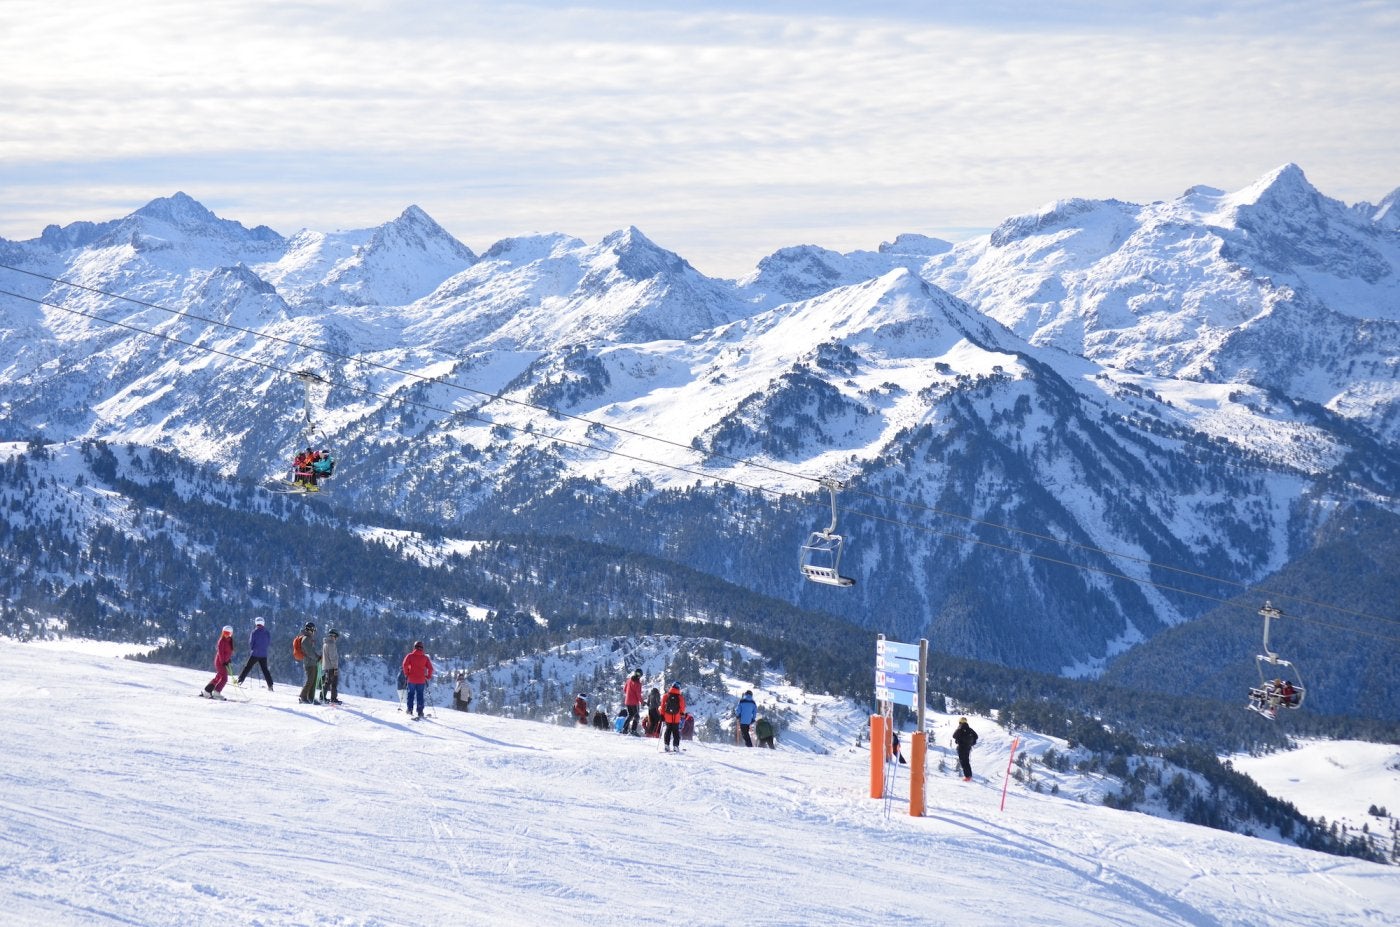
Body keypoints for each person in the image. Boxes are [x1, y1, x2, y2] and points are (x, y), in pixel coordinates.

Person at [234, 616, 274, 690]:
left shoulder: (254, 632)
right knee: (265, 670)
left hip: (255, 653)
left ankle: (240, 681)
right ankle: (270, 685)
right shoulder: (267, 632)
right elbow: (268, 642)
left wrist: (253, 648)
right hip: (263, 654)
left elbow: (251, 643)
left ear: (256, 623)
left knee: (247, 667)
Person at [200, 625, 235, 699]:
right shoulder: (222, 641)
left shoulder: (229, 641)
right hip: (220, 662)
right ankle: (215, 692)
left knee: (219, 676)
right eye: (224, 633)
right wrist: (223, 662)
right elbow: (220, 653)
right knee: (224, 678)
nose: (226, 634)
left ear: (231, 634)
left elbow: (228, 652)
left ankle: (208, 691)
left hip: (223, 661)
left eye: (227, 633)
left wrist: (228, 659)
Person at [402, 641, 434, 719]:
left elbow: (404, 664)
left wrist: (407, 673)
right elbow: (431, 668)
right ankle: (420, 711)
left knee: (410, 694)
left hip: (411, 679)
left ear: (415, 647)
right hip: (421, 680)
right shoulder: (425, 657)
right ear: (422, 648)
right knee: (420, 695)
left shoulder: (410, 656)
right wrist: (428, 676)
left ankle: (410, 709)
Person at [294, 622, 320, 704]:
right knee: (310, 680)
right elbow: (309, 652)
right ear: (310, 629)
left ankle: (310, 697)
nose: (314, 632)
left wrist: (318, 657)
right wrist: (316, 657)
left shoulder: (309, 638)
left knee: (313, 681)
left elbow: (312, 651)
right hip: (309, 664)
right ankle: (303, 697)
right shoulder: (305, 639)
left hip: (313, 663)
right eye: (313, 630)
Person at [661, 683, 686, 753]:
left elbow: (662, 706)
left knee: (668, 731)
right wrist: (682, 713)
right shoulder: (680, 697)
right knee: (676, 732)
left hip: (667, 717)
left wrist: (662, 715)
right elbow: (682, 708)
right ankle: (675, 746)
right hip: (676, 717)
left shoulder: (666, 696)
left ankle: (666, 745)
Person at [953, 717, 979, 781]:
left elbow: (954, 736)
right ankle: (969, 776)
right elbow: (976, 736)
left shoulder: (960, 729)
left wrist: (959, 728)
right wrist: (972, 743)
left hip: (961, 747)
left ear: (960, 722)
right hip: (968, 747)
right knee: (966, 761)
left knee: (963, 762)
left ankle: (967, 777)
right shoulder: (970, 729)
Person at [320, 628, 342, 704]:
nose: (336, 638)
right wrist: (335, 667)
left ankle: (322, 697)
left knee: (327, 682)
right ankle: (333, 699)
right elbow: (333, 657)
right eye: (336, 637)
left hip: (326, 666)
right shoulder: (331, 644)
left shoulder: (325, 643)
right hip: (332, 667)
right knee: (333, 683)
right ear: (334, 635)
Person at [622, 668, 643, 736]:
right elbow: (638, 694)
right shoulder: (638, 683)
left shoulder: (629, 680)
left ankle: (624, 729)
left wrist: (629, 694)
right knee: (636, 716)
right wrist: (642, 702)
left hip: (627, 701)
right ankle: (633, 730)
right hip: (634, 702)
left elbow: (624, 689)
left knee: (630, 715)